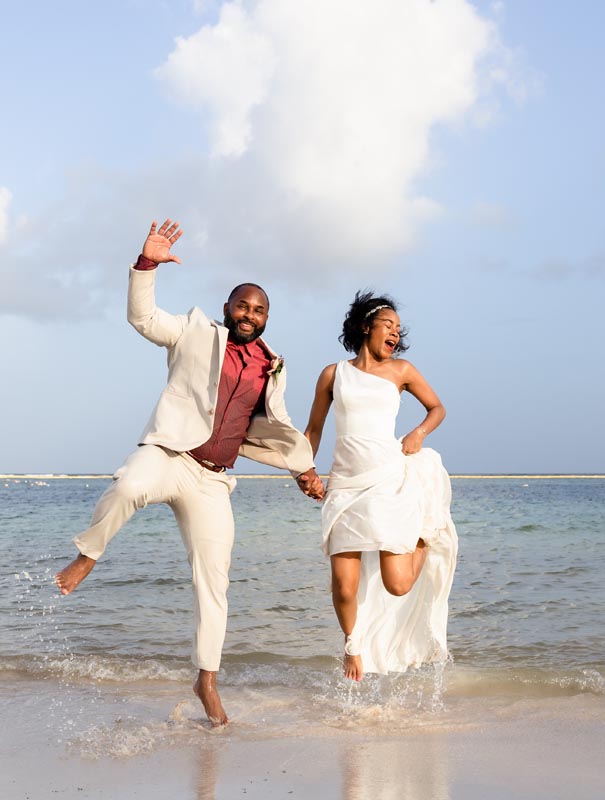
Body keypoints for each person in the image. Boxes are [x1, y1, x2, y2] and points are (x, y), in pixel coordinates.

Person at [54, 218, 324, 726]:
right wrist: (147, 264)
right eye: (242, 305)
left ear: (267, 318)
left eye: (258, 310)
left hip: (212, 480)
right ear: (227, 308)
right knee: (129, 485)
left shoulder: (272, 365)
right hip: (168, 454)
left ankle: (207, 681)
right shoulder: (194, 330)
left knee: (214, 581)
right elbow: (142, 318)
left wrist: (302, 472)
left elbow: (276, 425)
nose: (249, 314)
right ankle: (88, 555)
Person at [303, 291, 458, 680]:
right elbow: (314, 429)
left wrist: (418, 433)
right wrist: (304, 470)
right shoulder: (333, 374)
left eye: (398, 329)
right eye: (388, 325)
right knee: (343, 587)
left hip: (388, 480)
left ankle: (424, 535)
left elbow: (437, 408)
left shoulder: (401, 370)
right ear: (364, 326)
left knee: (399, 584)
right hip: (345, 484)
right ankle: (352, 647)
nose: (395, 333)